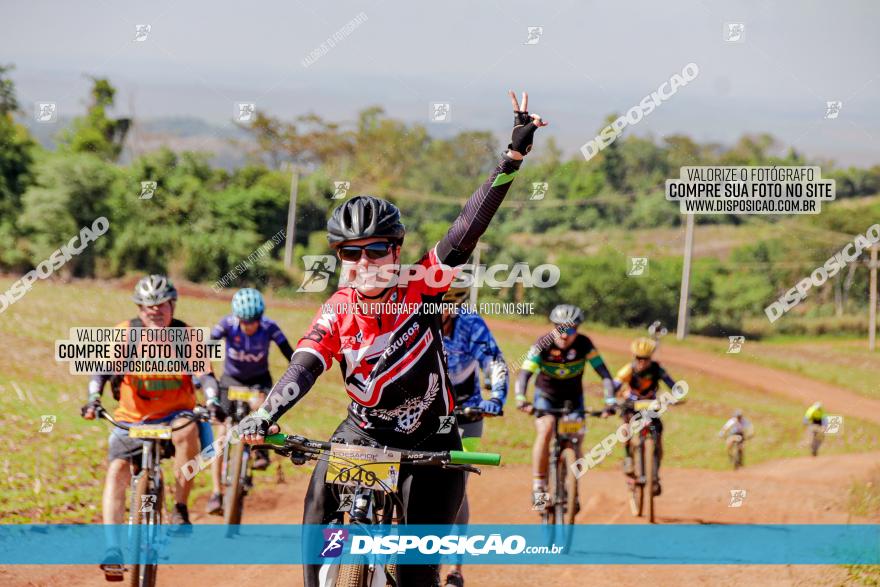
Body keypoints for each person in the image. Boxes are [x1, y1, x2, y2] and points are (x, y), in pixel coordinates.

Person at [240, 90, 546, 587]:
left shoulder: (422, 286)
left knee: (415, 574)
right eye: (351, 253)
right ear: (339, 258)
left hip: (432, 442)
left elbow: (466, 231)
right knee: (318, 522)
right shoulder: (337, 310)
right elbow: (304, 367)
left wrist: (511, 158)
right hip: (362, 436)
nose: (365, 264)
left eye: (377, 250)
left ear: (396, 250)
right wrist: (265, 414)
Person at [79, 275, 224, 575]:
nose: (154, 311)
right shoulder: (126, 334)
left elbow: (207, 377)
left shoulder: (186, 337)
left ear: (172, 305)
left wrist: (212, 400)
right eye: (147, 307)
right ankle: (113, 547)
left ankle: (180, 508)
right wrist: (93, 398)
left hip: (175, 416)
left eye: (161, 305)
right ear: (139, 308)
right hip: (132, 418)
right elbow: (101, 372)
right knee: (117, 469)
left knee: (188, 430)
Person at [440, 286, 508, 587]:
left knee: (455, 483)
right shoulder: (412, 321)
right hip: (424, 411)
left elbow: (493, 360)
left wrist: (496, 397)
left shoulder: (471, 323)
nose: (441, 312)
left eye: (448, 307)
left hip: (467, 410)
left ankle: (454, 567)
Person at [205, 287, 293, 516]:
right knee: (222, 434)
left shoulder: (270, 327)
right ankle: (216, 493)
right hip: (231, 380)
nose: (249, 326)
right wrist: (204, 377)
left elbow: (291, 354)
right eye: (245, 321)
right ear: (237, 317)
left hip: (258, 381)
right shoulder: (226, 325)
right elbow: (205, 349)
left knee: (258, 408)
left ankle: (261, 450)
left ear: (260, 317)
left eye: (253, 321)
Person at [515, 304, 615, 502]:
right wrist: (520, 398)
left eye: (570, 330)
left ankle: (571, 486)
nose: (564, 335)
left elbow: (604, 373)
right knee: (546, 429)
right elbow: (525, 373)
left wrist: (610, 401)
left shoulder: (585, 345)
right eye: (560, 328)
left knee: (577, 436)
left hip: (573, 399)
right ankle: (539, 485)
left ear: (577, 330)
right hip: (546, 396)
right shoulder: (543, 343)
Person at [610, 337, 677, 496]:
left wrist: (677, 394)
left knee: (658, 435)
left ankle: (654, 474)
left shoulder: (657, 369)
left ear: (650, 358)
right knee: (626, 428)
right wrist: (612, 398)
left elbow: (671, 384)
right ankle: (628, 458)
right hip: (631, 405)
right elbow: (615, 385)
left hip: (651, 407)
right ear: (634, 357)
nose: (642, 362)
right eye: (639, 358)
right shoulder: (628, 369)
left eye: (645, 359)